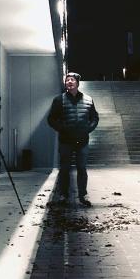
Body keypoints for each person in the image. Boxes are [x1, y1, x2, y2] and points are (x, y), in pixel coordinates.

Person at [47, 72, 99, 207]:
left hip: (82, 140)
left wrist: (88, 129)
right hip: (66, 140)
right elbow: (51, 119)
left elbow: (95, 117)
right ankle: (63, 196)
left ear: (77, 83)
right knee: (64, 168)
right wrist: (62, 128)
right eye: (67, 80)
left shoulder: (88, 99)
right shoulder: (59, 100)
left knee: (82, 168)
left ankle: (83, 195)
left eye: (72, 80)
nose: (69, 82)